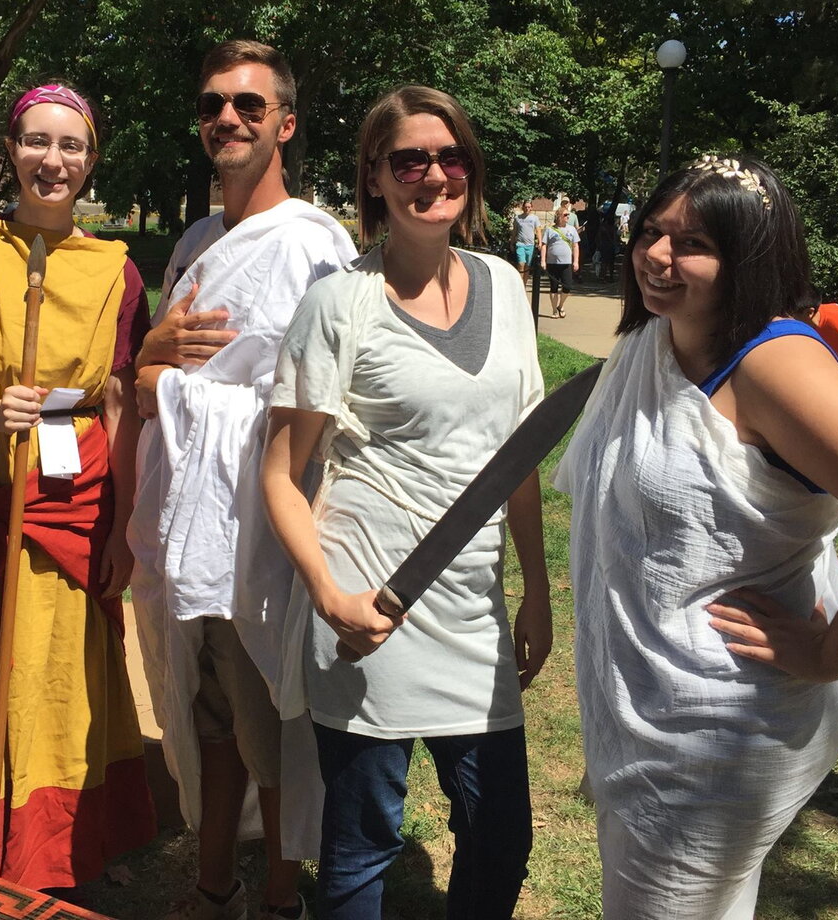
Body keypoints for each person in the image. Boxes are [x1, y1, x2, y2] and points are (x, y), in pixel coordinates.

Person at [555, 155, 838, 919]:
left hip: (716, 732)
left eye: (693, 243)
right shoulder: (666, 337)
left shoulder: (773, 361)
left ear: (752, 259)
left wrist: (831, 650)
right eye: (651, 230)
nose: (656, 254)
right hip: (658, 703)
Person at [261, 85, 552, 920]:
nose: (432, 175)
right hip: (368, 612)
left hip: (472, 614)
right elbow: (280, 474)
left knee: (500, 836)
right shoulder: (338, 304)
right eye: (409, 160)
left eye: (449, 156)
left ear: (472, 169)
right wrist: (329, 597)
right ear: (376, 178)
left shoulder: (505, 280)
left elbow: (518, 456)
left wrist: (533, 589)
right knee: (360, 850)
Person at [127, 40, 356, 920]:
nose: (227, 118)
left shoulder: (311, 247)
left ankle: (277, 901)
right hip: (188, 529)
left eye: (249, 106)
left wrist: (168, 391)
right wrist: (155, 371)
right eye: (214, 104)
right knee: (207, 717)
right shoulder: (194, 241)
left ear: (284, 125)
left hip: (260, 534)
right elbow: (150, 368)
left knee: (274, 732)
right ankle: (211, 880)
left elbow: (311, 408)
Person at [0, 83, 156, 889]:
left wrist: (121, 528)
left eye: (72, 146)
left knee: (58, 678)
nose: (55, 160)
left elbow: (120, 401)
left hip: (76, 498)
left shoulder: (115, 271)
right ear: (8, 153)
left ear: (91, 160)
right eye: (38, 143)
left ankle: (51, 855)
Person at [540, 207, 579, 317]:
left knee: (567, 286)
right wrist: (543, 260)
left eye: (568, 215)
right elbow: (544, 245)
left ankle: (560, 305)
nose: (567, 217)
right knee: (554, 287)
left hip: (566, 263)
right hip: (552, 263)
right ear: (559, 216)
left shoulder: (572, 230)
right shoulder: (550, 230)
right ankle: (554, 310)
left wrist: (576, 261)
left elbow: (576, 246)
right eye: (565, 215)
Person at [509, 198, 540, 284]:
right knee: (521, 264)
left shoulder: (535, 218)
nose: (527, 209)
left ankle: (524, 285)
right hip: (520, 244)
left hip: (530, 245)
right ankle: (519, 284)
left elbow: (538, 230)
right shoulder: (518, 218)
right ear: (523, 207)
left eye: (529, 207)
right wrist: (512, 243)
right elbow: (514, 231)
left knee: (527, 266)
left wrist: (540, 242)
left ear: (531, 208)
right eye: (526, 207)